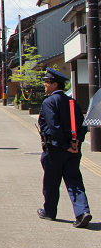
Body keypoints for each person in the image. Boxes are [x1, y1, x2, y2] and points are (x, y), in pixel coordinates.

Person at [37, 68, 92, 228]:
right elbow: (83, 124)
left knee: (51, 182)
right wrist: (76, 142)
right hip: (74, 149)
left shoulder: (49, 102)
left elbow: (53, 127)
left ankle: (49, 212)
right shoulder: (72, 102)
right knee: (74, 181)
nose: (45, 85)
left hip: (55, 149)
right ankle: (82, 212)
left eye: (47, 82)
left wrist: (65, 145)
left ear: (55, 85)